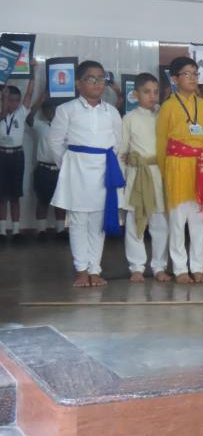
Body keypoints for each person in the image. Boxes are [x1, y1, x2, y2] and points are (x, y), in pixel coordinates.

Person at [48, 61, 124, 287]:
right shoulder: (66, 110)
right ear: (78, 83)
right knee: (79, 221)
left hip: (104, 170)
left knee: (98, 222)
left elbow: (118, 143)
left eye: (101, 78)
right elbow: (55, 143)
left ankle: (95, 269)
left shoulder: (111, 112)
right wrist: (70, 166)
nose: (97, 83)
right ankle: (81, 269)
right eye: (91, 78)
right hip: (77, 171)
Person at [156, 57, 203, 285]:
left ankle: (198, 268)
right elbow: (161, 142)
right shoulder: (167, 106)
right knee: (177, 221)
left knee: (199, 221)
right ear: (175, 79)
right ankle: (180, 269)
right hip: (177, 167)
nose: (193, 78)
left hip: (201, 167)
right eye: (187, 74)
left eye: (195, 74)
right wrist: (165, 172)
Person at [119, 73, 169, 283]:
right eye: (146, 92)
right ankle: (137, 266)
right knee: (135, 223)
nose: (152, 96)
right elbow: (122, 153)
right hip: (137, 176)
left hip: (160, 174)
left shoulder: (163, 115)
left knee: (161, 224)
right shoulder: (129, 118)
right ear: (136, 94)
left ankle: (159, 266)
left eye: (155, 92)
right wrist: (122, 183)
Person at [0, 72, 35, 241]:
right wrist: (4, 98)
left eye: (15, 100)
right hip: (2, 156)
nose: (12, 104)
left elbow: (29, 94)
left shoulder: (21, 113)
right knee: (1, 196)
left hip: (17, 156)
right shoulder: (1, 114)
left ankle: (15, 231)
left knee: (15, 195)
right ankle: (1, 231)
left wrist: (33, 72)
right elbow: (2, 116)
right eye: (9, 100)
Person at [26, 93, 66, 238]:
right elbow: (29, 119)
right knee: (42, 200)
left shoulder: (65, 128)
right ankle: (41, 231)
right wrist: (39, 101)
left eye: (53, 109)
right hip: (43, 169)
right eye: (47, 110)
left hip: (60, 169)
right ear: (44, 112)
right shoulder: (41, 125)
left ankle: (60, 230)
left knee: (60, 201)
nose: (51, 112)